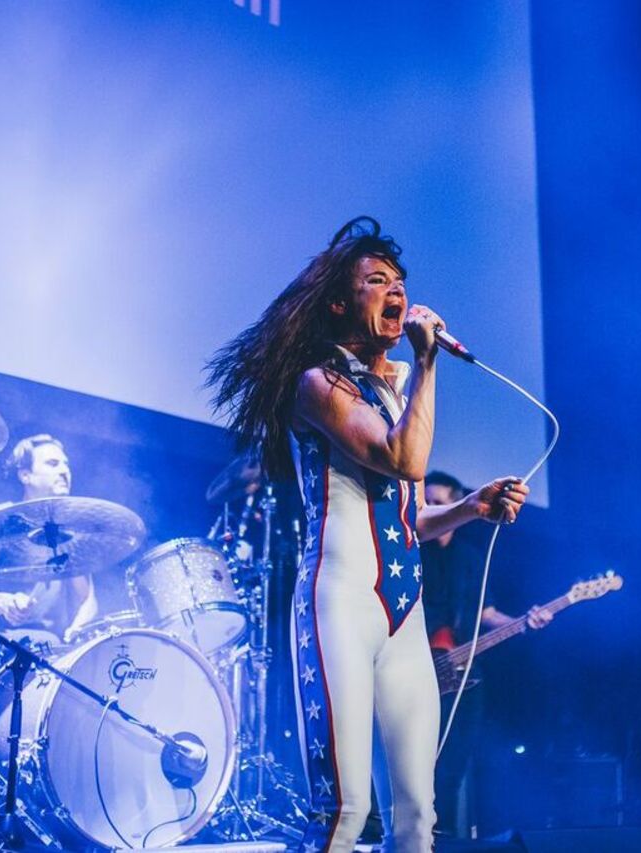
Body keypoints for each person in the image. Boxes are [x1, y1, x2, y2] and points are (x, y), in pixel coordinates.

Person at [206, 217, 528, 853]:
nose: (396, 292)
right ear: (339, 303)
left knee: (417, 817)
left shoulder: (393, 389)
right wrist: (428, 360)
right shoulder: (319, 385)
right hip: (341, 604)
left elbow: (405, 517)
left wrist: (469, 506)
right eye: (376, 281)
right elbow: (405, 460)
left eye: (400, 282)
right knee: (346, 809)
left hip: (404, 616)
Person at [421, 471, 551, 837]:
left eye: (441, 502)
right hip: (417, 666)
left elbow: (486, 613)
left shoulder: (470, 558)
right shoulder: (412, 550)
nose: (433, 509)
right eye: (427, 501)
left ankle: (442, 838)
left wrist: (526, 621)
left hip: (463, 673)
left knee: (453, 765)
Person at [0, 434, 99, 645]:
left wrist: (77, 631)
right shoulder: (0, 519)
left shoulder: (70, 529)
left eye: (66, 464)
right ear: (25, 475)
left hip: (52, 649)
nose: (64, 471)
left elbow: (88, 599)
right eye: (52, 464)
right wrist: (2, 602)